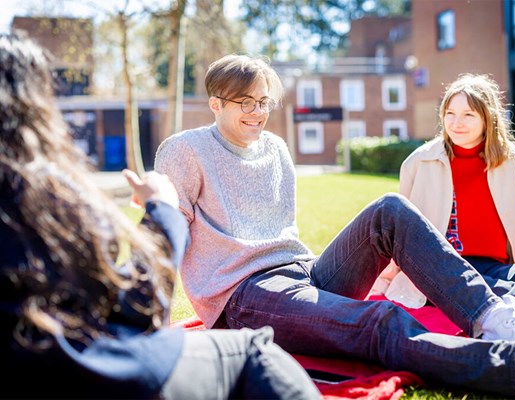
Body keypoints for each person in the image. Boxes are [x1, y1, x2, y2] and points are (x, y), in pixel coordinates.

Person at [154, 53, 515, 399]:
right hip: (243, 296)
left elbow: (281, 235)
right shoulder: (184, 150)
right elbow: (167, 231)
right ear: (215, 103)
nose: (258, 112)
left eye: (263, 101)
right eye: (245, 102)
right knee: (380, 319)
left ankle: (497, 319)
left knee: (390, 211)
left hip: (302, 274)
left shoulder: (276, 149)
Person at [0, 33, 321, 400]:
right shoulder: (46, 200)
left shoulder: (274, 150)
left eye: (262, 102)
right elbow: (138, 312)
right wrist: (163, 211)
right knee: (255, 351)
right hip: (85, 376)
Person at [374, 73, 515, 326]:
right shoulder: (419, 162)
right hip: (443, 269)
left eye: (468, 115)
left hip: (494, 266)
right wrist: (387, 279)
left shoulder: (509, 160)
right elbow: (401, 232)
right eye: (450, 113)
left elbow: (513, 222)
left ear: (487, 118)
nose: (456, 123)